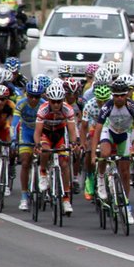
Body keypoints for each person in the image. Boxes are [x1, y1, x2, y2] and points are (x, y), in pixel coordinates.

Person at [91, 79, 134, 222]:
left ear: (127, 95)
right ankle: (101, 177)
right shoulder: (107, 107)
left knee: (125, 173)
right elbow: (98, 130)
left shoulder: (132, 106)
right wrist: (92, 154)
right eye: (116, 95)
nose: (119, 98)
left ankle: (126, 205)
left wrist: (133, 148)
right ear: (112, 95)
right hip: (109, 131)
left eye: (122, 95)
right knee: (105, 153)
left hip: (124, 134)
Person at [33, 81, 80, 215]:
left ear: (62, 100)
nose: (56, 105)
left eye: (59, 102)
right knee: (45, 150)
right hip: (46, 134)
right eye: (53, 102)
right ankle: (43, 172)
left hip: (59, 135)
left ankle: (66, 199)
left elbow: (72, 130)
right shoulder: (43, 109)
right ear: (49, 100)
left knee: (64, 164)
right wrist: (37, 145)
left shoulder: (67, 109)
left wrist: (74, 143)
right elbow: (37, 132)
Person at [14, 79, 45, 211]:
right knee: (25, 162)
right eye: (31, 96)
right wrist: (13, 139)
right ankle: (24, 196)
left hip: (41, 132)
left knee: (45, 157)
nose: (33, 99)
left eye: (36, 97)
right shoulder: (21, 104)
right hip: (26, 132)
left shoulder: (44, 105)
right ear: (26, 94)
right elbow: (14, 123)